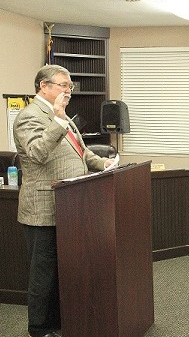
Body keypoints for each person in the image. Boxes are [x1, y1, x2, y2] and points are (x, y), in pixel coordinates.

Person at [13, 64, 115, 337]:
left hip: (71, 208)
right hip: (43, 209)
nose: (69, 91)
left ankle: (59, 323)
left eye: (70, 86)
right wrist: (58, 120)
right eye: (63, 85)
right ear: (43, 86)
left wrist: (104, 163)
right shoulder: (30, 116)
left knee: (61, 270)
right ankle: (39, 328)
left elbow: (80, 152)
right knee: (44, 274)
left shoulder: (61, 117)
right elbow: (37, 153)